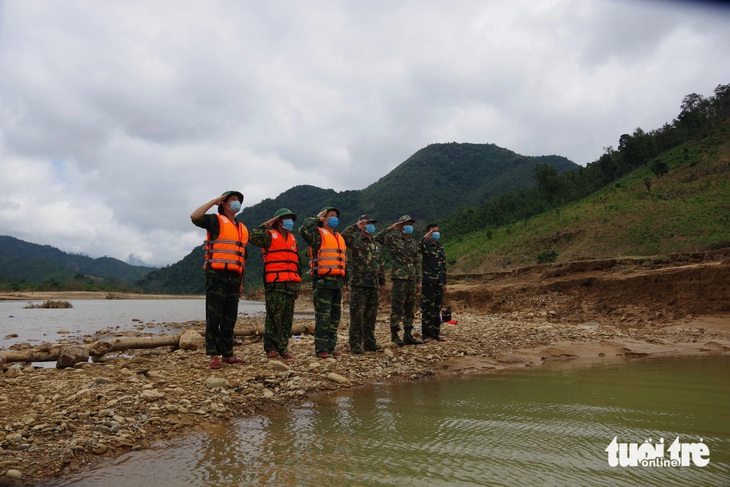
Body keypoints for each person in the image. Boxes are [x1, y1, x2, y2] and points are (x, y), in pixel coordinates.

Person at [190, 191, 249, 369]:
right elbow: (194, 216)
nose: (236, 202)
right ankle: (214, 355)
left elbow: (242, 257)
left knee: (230, 318)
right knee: (214, 317)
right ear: (223, 203)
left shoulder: (242, 228)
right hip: (216, 276)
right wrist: (213, 201)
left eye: (238, 200)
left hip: (234, 277)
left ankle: (228, 354)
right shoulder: (215, 221)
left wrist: (241, 282)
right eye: (233, 200)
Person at [249, 208, 302, 360]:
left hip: (291, 284)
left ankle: (282, 347)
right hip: (275, 284)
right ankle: (271, 348)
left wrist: (298, 284)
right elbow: (252, 237)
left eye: (291, 218)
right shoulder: (268, 236)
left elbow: (296, 263)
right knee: (273, 317)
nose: (290, 221)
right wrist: (267, 224)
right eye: (286, 218)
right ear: (278, 221)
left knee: (287, 318)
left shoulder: (293, 239)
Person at [299, 206, 347, 358]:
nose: (334, 218)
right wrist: (316, 217)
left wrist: (346, 280)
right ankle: (321, 349)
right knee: (323, 317)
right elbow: (303, 229)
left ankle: (331, 347)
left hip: (337, 283)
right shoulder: (318, 236)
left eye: (335, 215)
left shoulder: (339, 237)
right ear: (324, 219)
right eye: (330, 215)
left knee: (334, 317)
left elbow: (344, 260)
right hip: (323, 282)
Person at [374, 215, 423, 346]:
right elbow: (376, 238)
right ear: (401, 226)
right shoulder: (393, 239)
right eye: (406, 223)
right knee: (397, 308)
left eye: (410, 223)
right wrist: (390, 228)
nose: (409, 226)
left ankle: (408, 335)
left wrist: (419, 281)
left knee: (410, 308)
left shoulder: (414, 242)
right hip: (399, 279)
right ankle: (395, 336)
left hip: (411, 279)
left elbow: (417, 262)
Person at [342, 215, 386, 354]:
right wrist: (356, 225)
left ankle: (370, 343)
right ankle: (355, 344)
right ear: (362, 225)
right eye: (368, 223)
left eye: (373, 223)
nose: (371, 226)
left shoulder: (376, 244)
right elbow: (343, 236)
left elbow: (380, 264)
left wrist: (382, 281)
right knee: (357, 316)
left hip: (373, 285)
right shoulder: (355, 240)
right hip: (359, 284)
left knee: (371, 316)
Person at [419, 223, 447, 341]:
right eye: (433, 231)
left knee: (437, 309)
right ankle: (427, 335)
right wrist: (426, 236)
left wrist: (445, 283)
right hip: (428, 282)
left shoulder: (440, 248)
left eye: (437, 231)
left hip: (439, 283)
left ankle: (436, 334)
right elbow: (418, 245)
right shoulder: (425, 246)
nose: (436, 233)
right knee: (428, 309)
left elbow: (443, 267)